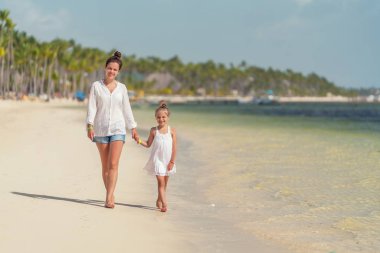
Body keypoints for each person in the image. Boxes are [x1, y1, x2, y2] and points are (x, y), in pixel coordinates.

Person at [86, 51, 139, 209]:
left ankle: (109, 197)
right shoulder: (96, 86)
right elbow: (92, 107)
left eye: (115, 70)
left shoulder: (122, 88)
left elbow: (127, 109)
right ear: (105, 68)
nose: (112, 71)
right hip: (101, 129)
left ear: (118, 72)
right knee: (105, 166)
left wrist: (133, 128)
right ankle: (110, 193)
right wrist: (90, 125)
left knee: (114, 164)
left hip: (118, 128)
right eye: (110, 68)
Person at [138, 101, 177, 212]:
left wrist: (172, 162)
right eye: (158, 117)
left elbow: (174, 148)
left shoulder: (172, 131)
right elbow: (148, 144)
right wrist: (139, 140)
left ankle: (159, 200)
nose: (161, 119)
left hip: (168, 161)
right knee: (161, 182)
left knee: (165, 184)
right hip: (158, 160)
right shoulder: (154, 131)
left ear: (167, 117)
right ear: (156, 118)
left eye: (163, 117)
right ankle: (164, 204)